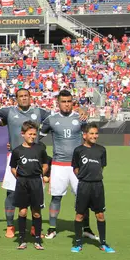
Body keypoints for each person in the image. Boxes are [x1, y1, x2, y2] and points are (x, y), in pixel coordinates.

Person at [41, 89, 97, 240]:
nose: (66, 104)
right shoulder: (51, 120)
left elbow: (91, 137)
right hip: (58, 165)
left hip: (77, 166)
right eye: (63, 102)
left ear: (73, 102)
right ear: (58, 103)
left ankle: (86, 228)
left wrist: (84, 110)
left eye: (69, 101)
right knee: (56, 197)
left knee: (83, 197)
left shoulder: (80, 118)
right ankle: (52, 228)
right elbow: (36, 138)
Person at [0, 88, 51, 238]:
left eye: (26, 95)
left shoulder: (39, 112)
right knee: (11, 193)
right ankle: (10, 226)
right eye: (20, 96)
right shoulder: (9, 112)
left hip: (34, 157)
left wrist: (41, 137)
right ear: (16, 98)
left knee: (35, 193)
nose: (24, 98)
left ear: (30, 96)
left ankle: (34, 226)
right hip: (15, 156)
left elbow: (55, 118)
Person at [71, 123, 115, 253]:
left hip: (97, 186)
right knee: (79, 215)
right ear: (84, 135)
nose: (94, 136)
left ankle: (103, 243)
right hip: (84, 185)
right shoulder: (78, 150)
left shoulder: (101, 150)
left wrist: (94, 177)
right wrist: (84, 177)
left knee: (100, 215)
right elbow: (75, 168)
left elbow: (101, 167)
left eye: (96, 133)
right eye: (91, 133)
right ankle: (78, 243)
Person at [9, 121, 49, 250]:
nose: (32, 136)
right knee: (22, 211)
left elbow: (46, 165)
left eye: (34, 134)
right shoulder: (17, 151)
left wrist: (38, 174)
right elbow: (13, 167)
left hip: (36, 182)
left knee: (36, 212)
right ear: (23, 134)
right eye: (30, 134)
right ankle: (22, 240)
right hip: (22, 183)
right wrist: (20, 177)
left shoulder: (40, 149)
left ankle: (37, 240)